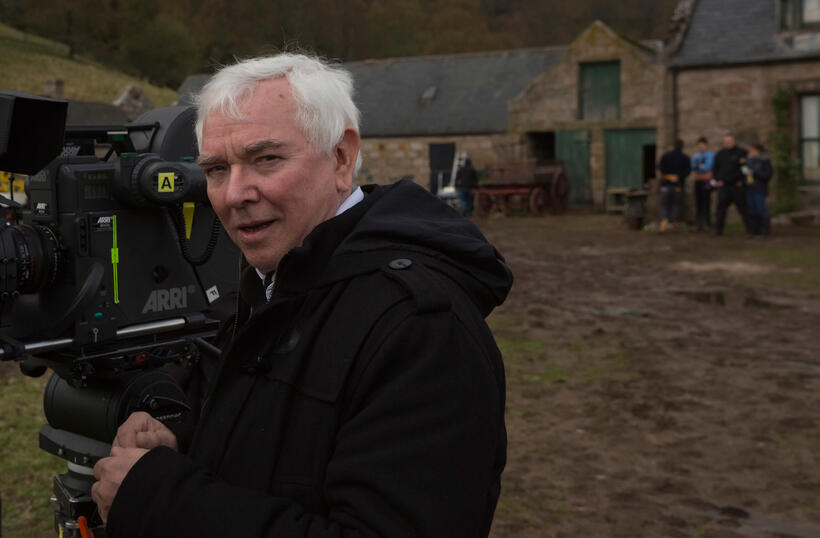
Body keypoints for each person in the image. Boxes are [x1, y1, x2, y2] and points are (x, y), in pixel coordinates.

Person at [91, 53, 512, 537]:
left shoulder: (423, 329)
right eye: (216, 169)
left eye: (265, 159)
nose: (234, 194)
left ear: (341, 156)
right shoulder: (266, 287)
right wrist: (176, 438)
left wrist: (158, 499)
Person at [713, 133, 749, 236]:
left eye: (729, 141)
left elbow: (745, 168)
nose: (727, 143)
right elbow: (716, 169)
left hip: (737, 186)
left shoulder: (741, 152)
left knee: (743, 208)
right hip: (724, 186)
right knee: (721, 209)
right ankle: (718, 230)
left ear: (734, 141)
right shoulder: (720, 154)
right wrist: (717, 180)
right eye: (725, 142)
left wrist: (741, 180)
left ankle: (750, 229)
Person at [658, 139, 691, 231]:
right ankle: (675, 223)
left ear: (673, 146)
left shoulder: (665, 156)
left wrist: (669, 176)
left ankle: (664, 222)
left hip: (666, 186)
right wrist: (678, 176)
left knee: (664, 204)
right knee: (677, 204)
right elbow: (687, 171)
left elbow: (661, 169)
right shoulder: (685, 158)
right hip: (678, 186)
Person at [743, 143, 774, 236]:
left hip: (759, 189)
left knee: (760, 209)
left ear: (757, 150)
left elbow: (767, 175)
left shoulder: (765, 161)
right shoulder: (749, 161)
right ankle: (754, 231)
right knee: (751, 210)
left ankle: (765, 230)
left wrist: (755, 172)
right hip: (749, 188)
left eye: (751, 151)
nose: (750, 153)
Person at [690, 137, 715, 231]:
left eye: (702, 145)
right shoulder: (695, 156)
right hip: (698, 181)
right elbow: (693, 166)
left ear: (706, 145)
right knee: (698, 202)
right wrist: (700, 167)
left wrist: (700, 167)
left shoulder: (710, 155)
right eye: (699, 146)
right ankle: (698, 224)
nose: (700, 147)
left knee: (706, 202)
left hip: (707, 181)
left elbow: (707, 167)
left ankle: (707, 223)